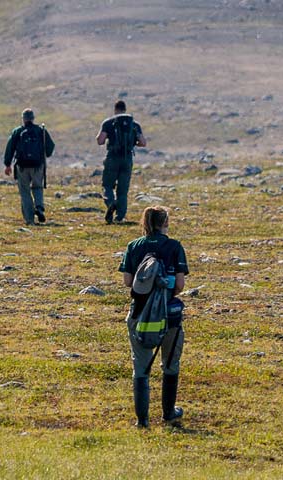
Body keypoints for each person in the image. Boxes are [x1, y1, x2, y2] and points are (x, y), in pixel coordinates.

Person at [119, 206, 188, 428]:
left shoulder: (133, 246)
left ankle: (143, 419)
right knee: (170, 362)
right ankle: (168, 412)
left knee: (140, 367)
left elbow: (128, 282)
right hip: (169, 315)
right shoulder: (175, 247)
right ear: (165, 222)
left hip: (139, 314)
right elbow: (179, 284)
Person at [95, 100, 146, 224]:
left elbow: (100, 141)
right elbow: (143, 143)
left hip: (112, 157)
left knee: (107, 185)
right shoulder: (133, 124)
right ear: (125, 109)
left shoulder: (108, 122)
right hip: (127, 158)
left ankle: (111, 203)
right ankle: (120, 216)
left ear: (115, 109)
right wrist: (132, 143)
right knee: (123, 190)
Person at [2, 108, 55, 225]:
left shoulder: (17, 131)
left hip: (22, 166)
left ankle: (30, 219)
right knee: (37, 187)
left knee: (25, 191)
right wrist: (44, 155)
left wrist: (7, 164)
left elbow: (9, 148)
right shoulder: (41, 130)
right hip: (37, 165)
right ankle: (39, 207)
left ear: (23, 119)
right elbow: (50, 147)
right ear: (33, 118)